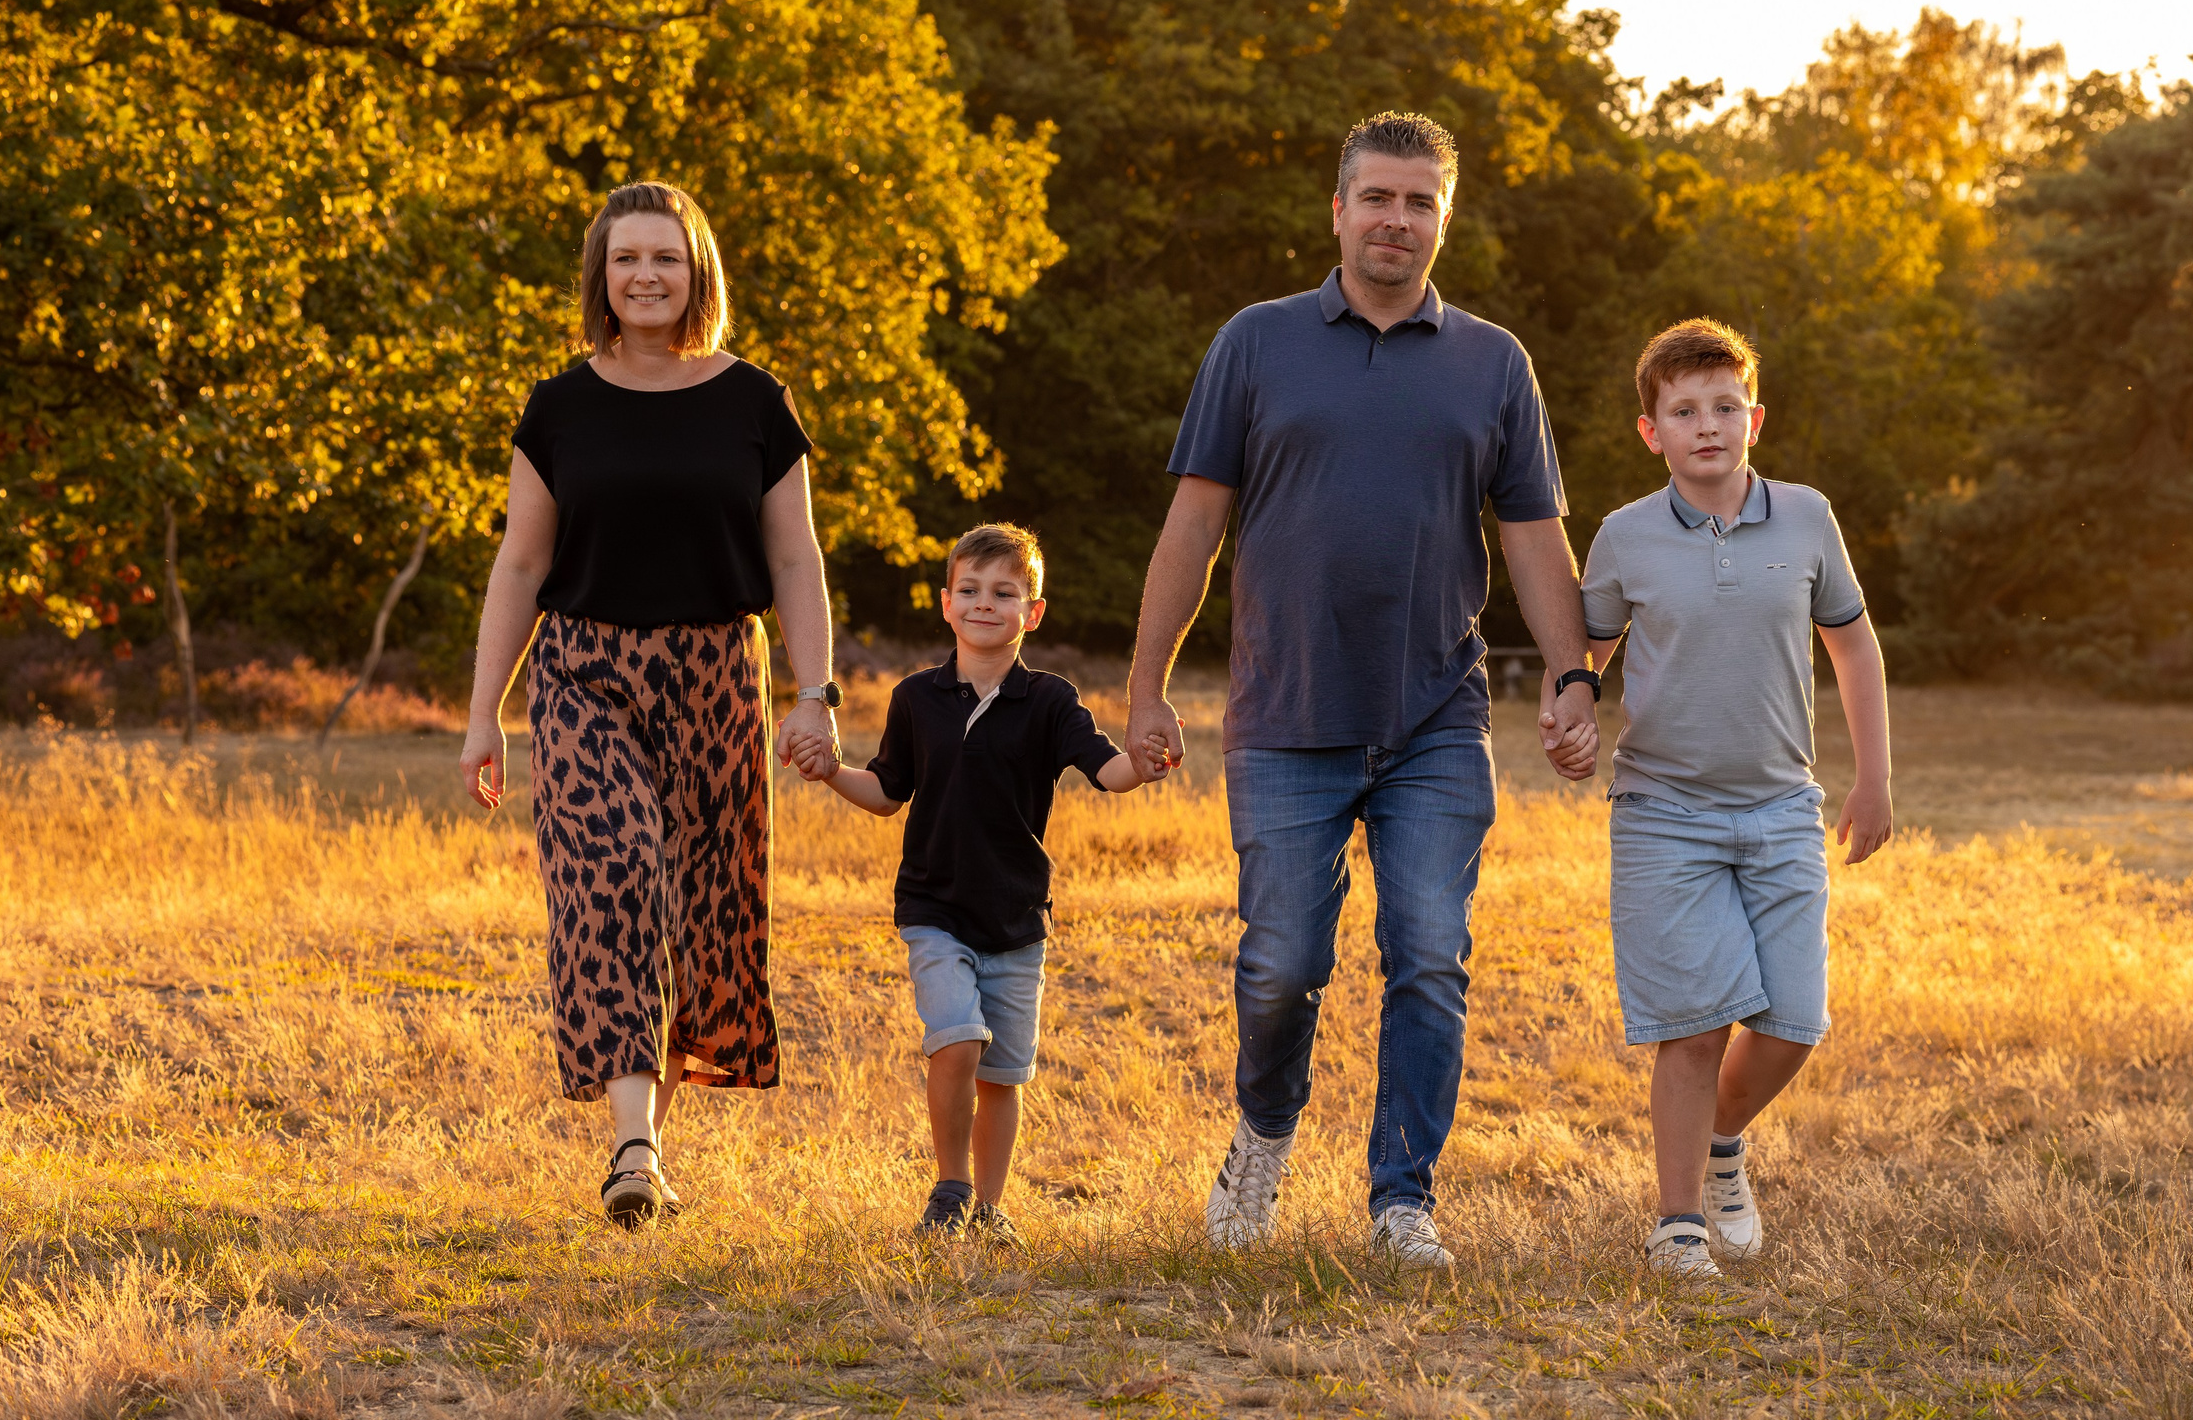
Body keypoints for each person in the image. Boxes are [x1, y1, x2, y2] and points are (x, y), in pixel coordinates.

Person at [1125, 112, 1603, 1273]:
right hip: (1285, 714)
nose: (1397, 220)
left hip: (1436, 719)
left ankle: (1402, 1200)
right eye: (1377, 198)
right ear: (1336, 210)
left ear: (1446, 217)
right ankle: (1264, 1134)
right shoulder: (1256, 342)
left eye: (1420, 202)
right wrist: (1145, 688)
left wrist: (1576, 672)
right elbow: (1193, 527)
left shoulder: (1493, 362)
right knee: (1282, 961)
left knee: (1429, 951)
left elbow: (1535, 537)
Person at [458, 181, 845, 1230]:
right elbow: (521, 563)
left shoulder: (754, 402)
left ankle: (649, 1149)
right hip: (584, 672)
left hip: (719, 672)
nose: (645, 276)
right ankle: (631, 1143)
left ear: (695, 273)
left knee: (701, 910)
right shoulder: (559, 408)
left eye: (665, 259)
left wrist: (814, 695)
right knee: (614, 878)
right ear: (601, 275)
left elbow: (793, 558)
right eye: (626, 258)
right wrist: (482, 711)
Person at [1578, 318, 1893, 1280]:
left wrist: (1874, 774)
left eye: (1724, 406)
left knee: (1794, 1020)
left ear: (1754, 417)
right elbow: (1585, 651)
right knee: (1693, 1022)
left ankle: (1719, 1144)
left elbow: (1852, 643)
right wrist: (1572, 706)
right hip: (1664, 810)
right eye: (1684, 410)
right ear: (1653, 431)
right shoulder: (1624, 535)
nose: (1705, 424)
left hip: (1780, 808)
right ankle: (1678, 1226)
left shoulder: (1806, 517)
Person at [804, 524, 1163, 1242]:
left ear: (1032, 611)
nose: (983, 603)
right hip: (934, 905)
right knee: (957, 1039)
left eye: (1004, 592)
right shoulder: (915, 698)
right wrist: (830, 771)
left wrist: (1146, 758)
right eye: (969, 589)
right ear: (946, 603)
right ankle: (951, 1188)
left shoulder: (1051, 700)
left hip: (1018, 915)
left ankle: (991, 1211)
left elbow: (1108, 770)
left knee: (1003, 1073)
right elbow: (885, 791)